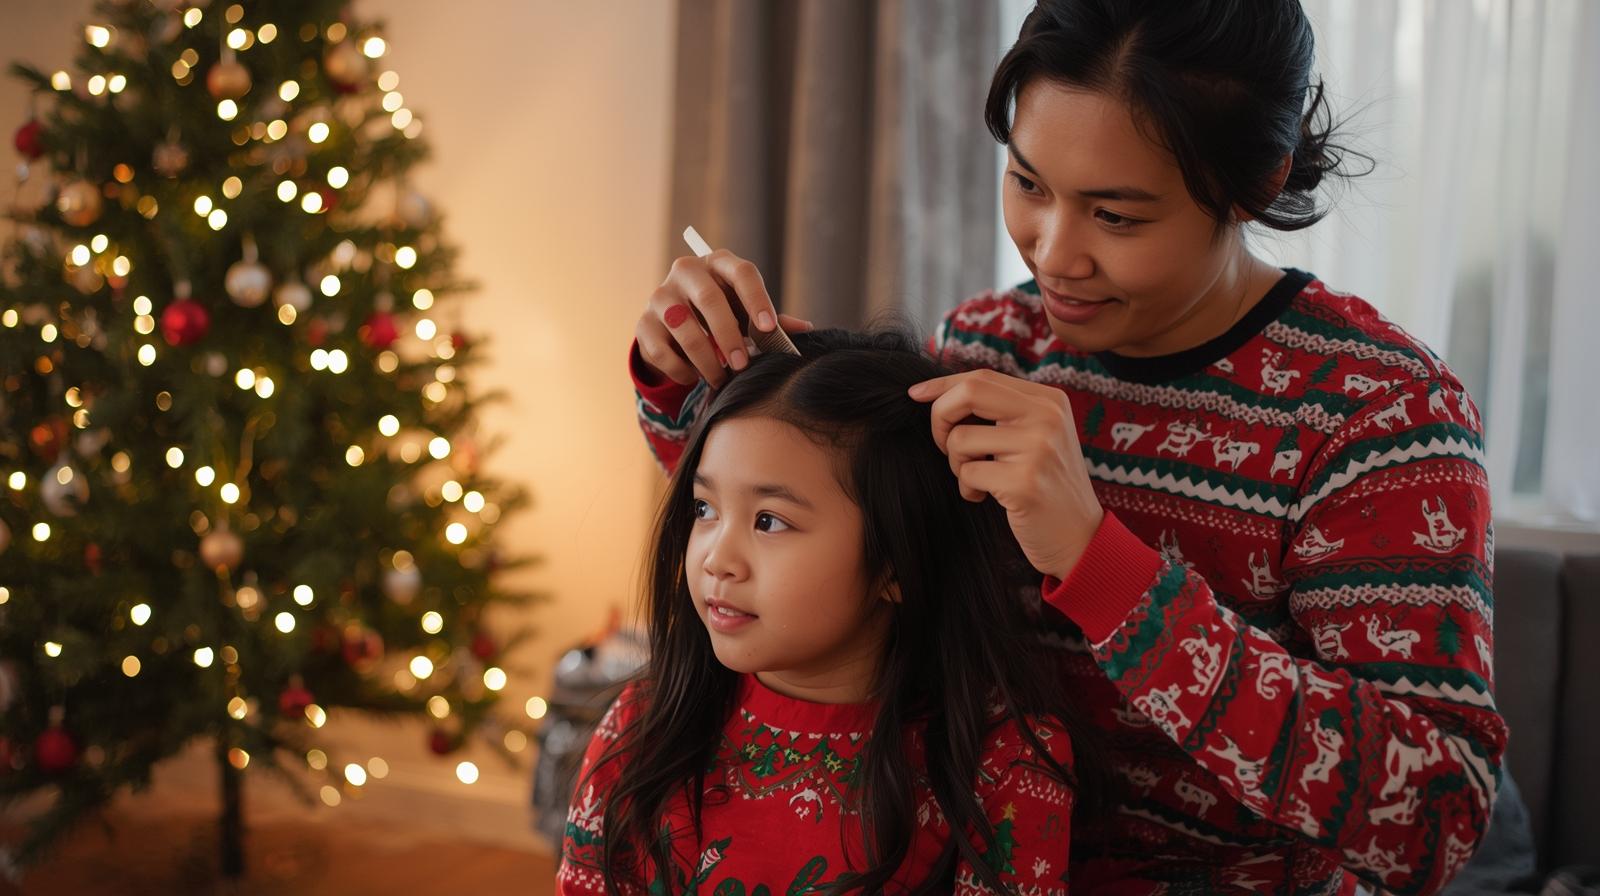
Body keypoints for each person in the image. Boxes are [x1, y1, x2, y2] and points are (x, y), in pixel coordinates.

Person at [625, 2, 1507, 893]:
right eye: (1029, 183)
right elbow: (809, 545)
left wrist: (1103, 568)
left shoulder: (1379, 416)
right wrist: (680, 376)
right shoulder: (984, 347)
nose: (1053, 255)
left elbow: (1433, 818)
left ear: (1257, 183)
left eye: (1116, 217)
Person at [560, 330, 1089, 894]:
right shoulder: (644, 720)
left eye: (770, 521)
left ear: (896, 565)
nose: (717, 559)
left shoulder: (1004, 763)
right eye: (704, 507)